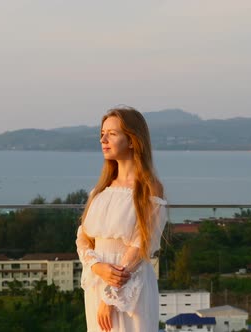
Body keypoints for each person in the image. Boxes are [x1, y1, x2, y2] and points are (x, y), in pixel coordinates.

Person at [76, 106, 168, 332]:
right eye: (102, 134)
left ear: (132, 140)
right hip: (97, 284)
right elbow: (83, 238)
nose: (103, 139)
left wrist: (110, 298)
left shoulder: (149, 188)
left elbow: (140, 245)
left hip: (129, 289)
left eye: (112, 134)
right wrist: (96, 266)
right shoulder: (99, 191)